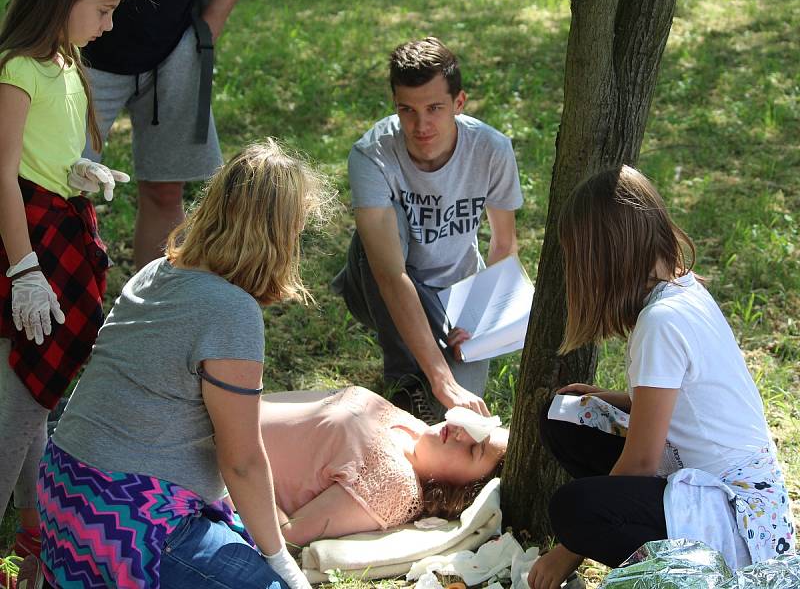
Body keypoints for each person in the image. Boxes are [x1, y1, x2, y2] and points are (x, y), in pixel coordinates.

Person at [36, 141, 331, 589]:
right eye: (297, 230)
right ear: (277, 232)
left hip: (63, 488)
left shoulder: (156, 271)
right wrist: (282, 564)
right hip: (131, 518)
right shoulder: (231, 310)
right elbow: (243, 461)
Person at [527, 166, 795, 589]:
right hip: (714, 486)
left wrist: (569, 549)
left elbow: (641, 461)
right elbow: (685, 402)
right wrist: (609, 398)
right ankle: (636, 529)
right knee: (563, 416)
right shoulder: (683, 289)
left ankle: (690, 569)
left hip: (737, 520)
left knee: (573, 511)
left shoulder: (661, 321)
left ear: (603, 258)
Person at [0, 0, 128, 567]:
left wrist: (73, 171)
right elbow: (3, 175)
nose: (110, 23)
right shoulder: (18, 68)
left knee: (36, 396)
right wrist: (25, 269)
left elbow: (41, 155)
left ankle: (35, 532)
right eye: (102, 8)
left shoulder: (67, 62)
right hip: (25, 245)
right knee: (21, 401)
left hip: (61, 233)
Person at [332, 37, 523, 423]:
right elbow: (388, 274)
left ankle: (425, 378)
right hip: (380, 286)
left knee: (455, 412)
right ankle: (405, 381)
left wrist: (475, 319)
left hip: (455, 295)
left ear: (459, 103)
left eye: (434, 108)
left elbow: (504, 244)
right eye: (407, 110)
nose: (421, 125)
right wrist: (437, 377)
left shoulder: (491, 149)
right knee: (385, 231)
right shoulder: (373, 154)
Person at [81, 0, 243, 269]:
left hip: (174, 42)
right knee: (58, 187)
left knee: (165, 189)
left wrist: (211, 25)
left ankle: (156, 306)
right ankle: (49, 300)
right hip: (80, 48)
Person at [260, 386, 508, 546]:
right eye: (478, 429)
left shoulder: (394, 486)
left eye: (474, 449)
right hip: (230, 410)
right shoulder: (414, 429)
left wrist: (235, 465)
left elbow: (288, 534)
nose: (462, 433)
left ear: (463, 492)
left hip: (228, 462)